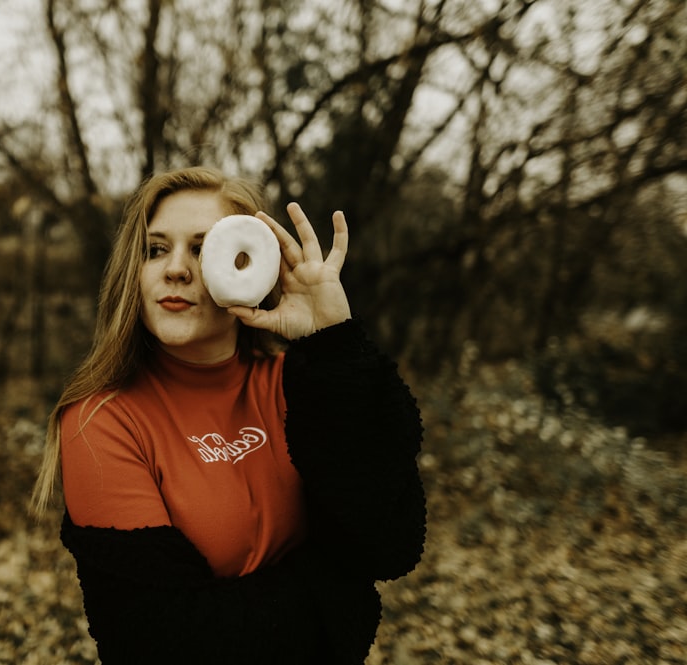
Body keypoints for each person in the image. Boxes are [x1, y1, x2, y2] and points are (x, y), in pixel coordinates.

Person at [31, 166, 426, 664]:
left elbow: (389, 542)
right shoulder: (102, 421)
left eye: (201, 248)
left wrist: (335, 344)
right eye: (156, 249)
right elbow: (162, 644)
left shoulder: (302, 383)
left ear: (252, 265)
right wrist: (337, 596)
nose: (175, 269)